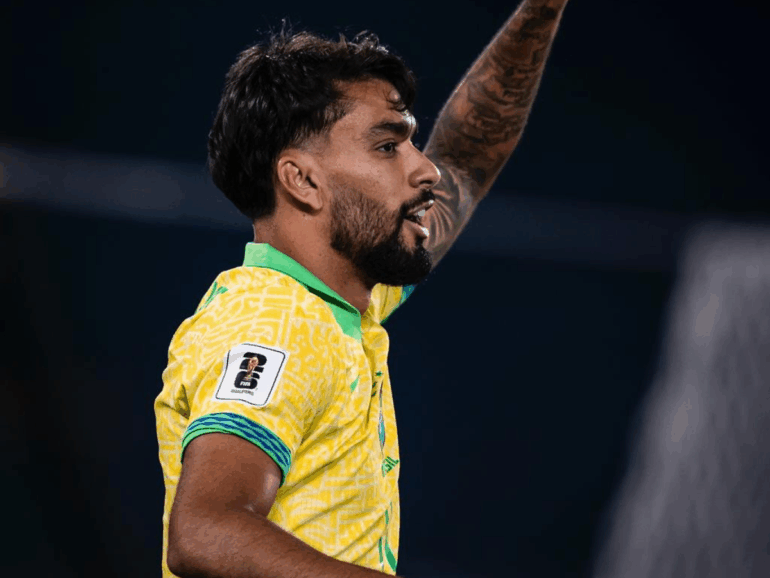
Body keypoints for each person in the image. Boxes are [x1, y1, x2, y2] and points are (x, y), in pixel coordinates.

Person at [155, 1, 570, 577]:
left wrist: (542, 9)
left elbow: (466, 158)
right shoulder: (274, 324)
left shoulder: (339, 300)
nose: (425, 169)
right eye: (387, 146)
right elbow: (205, 529)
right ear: (302, 180)